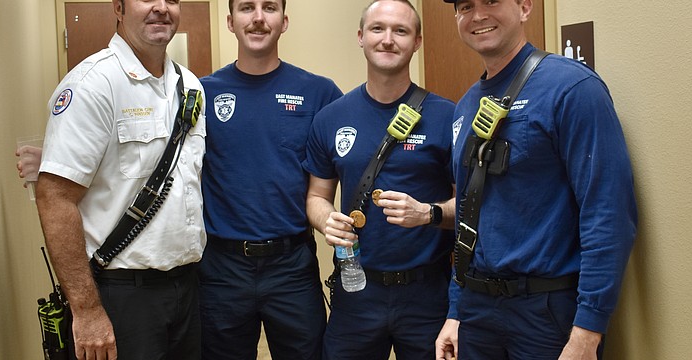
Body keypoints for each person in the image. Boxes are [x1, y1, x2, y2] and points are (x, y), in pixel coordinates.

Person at [434, 0, 637, 359]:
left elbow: (607, 213)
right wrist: (455, 310)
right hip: (477, 311)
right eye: (465, 6)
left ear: (525, 7)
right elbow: (470, 217)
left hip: (547, 313)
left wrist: (587, 332)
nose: (478, 15)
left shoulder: (572, 88)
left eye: (491, 1)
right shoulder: (465, 107)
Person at [35, 0, 206, 358]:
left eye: (172, 0)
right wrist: (86, 310)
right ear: (118, 7)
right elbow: (55, 197)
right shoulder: (92, 84)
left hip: (188, 287)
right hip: (122, 294)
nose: (161, 8)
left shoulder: (189, 86)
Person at [303, 1, 456, 358]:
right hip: (357, 288)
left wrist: (428, 213)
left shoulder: (446, 116)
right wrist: (327, 220)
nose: (388, 39)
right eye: (377, 29)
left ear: (417, 41)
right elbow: (315, 196)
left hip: (427, 292)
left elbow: (467, 209)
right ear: (360, 37)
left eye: (400, 31)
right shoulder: (331, 118)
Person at [196, 0, 342, 359]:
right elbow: (157, 155)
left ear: (284, 21)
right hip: (222, 267)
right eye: (247, 8)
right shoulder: (202, 93)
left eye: (269, 8)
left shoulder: (319, 92)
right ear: (230, 22)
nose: (258, 18)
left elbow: (357, 152)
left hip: (290, 266)